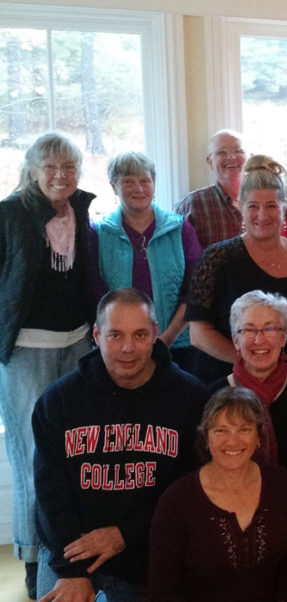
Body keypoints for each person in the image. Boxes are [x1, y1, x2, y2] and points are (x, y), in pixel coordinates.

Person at [32, 288, 209, 601]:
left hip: (147, 550)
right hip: (71, 549)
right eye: (115, 335)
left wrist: (124, 535)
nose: (128, 348)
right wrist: (72, 571)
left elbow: (189, 491)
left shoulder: (190, 398)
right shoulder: (58, 401)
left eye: (140, 334)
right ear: (97, 335)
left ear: (156, 333)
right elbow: (50, 493)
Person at [0, 132, 96, 597]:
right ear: (33, 169)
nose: (61, 175)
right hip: (27, 350)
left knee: (76, 456)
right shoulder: (11, 213)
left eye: (70, 167)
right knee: (33, 459)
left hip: (77, 344)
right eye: (51, 167)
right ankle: (35, 560)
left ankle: (70, 554)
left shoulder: (80, 210)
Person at [149, 387, 287, 601]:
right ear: (206, 437)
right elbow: (163, 589)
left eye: (243, 429)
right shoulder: (177, 500)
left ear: (258, 436)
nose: (233, 441)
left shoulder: (281, 483)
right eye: (221, 430)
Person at [186, 154, 287, 382]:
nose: (262, 215)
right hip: (227, 385)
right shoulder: (216, 258)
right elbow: (198, 334)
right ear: (240, 206)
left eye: (271, 206)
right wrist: (256, 364)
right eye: (253, 206)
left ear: (285, 207)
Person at [94, 151, 204, 372]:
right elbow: (96, 294)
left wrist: (167, 338)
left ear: (154, 183)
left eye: (145, 180)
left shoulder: (180, 229)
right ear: (113, 186)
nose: (139, 188)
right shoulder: (99, 233)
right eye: (128, 181)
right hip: (120, 350)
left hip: (178, 347)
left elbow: (195, 288)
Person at [209, 291, 287, 481]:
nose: (259, 339)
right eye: (249, 330)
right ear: (235, 341)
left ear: (284, 337)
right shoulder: (213, 396)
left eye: (269, 329)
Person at [176, 129, 245, 248]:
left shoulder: (266, 202)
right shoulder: (191, 205)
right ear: (210, 162)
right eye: (222, 152)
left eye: (238, 151)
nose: (231, 157)